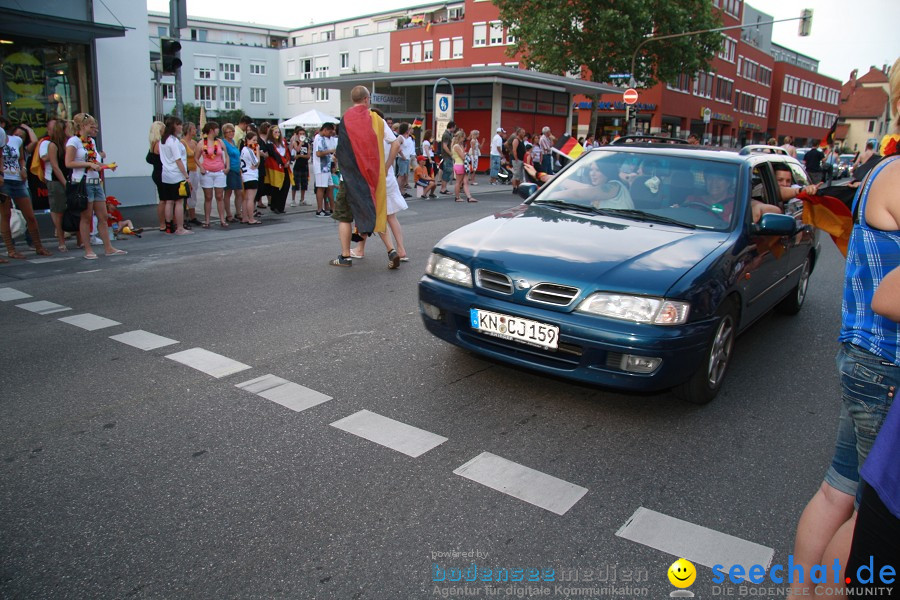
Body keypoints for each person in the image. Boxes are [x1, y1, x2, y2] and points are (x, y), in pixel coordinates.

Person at [790, 57, 900, 598]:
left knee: (841, 492)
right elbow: (891, 297)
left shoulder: (886, 170)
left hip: (868, 360)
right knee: (873, 515)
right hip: (887, 366)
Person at [330, 85, 402, 269]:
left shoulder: (345, 119)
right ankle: (391, 251)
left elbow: (342, 149)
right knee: (376, 213)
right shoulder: (376, 119)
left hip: (350, 178)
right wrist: (385, 168)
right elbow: (395, 144)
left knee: (345, 217)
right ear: (367, 99)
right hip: (373, 178)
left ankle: (345, 256)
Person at [350, 108, 409, 262]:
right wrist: (388, 166)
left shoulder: (369, 133)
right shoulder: (387, 134)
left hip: (374, 178)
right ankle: (401, 249)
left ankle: (362, 249)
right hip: (388, 178)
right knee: (391, 217)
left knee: (366, 214)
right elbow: (397, 144)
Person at [64, 113, 124, 257]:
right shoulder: (74, 141)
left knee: (103, 216)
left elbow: (95, 162)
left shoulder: (91, 141)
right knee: (86, 217)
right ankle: (88, 250)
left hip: (96, 182)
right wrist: (88, 164)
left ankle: (108, 248)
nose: (94, 128)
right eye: (91, 126)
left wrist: (107, 166)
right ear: (83, 126)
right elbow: (69, 163)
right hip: (83, 183)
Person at [1, 117, 51, 258]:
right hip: (4, 180)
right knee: (6, 215)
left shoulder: (16, 141)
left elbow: (21, 158)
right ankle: (11, 250)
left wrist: (23, 168)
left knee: (30, 215)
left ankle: (38, 246)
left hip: (18, 180)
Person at [157, 116, 193, 236]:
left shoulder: (163, 140)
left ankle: (168, 226)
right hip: (176, 174)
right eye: (179, 125)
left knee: (169, 201)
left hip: (166, 174)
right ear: (174, 126)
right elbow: (178, 160)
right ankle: (180, 227)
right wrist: (186, 175)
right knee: (178, 201)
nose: (181, 127)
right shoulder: (173, 141)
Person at [41, 119, 72, 251]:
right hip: (56, 180)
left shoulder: (71, 143)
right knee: (58, 210)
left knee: (74, 208)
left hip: (70, 178)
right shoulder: (53, 145)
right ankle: (61, 240)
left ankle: (80, 239)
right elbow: (55, 166)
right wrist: (64, 182)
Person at [197, 121, 230, 228]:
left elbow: (226, 154)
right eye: (216, 128)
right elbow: (195, 157)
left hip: (219, 171)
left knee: (220, 196)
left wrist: (227, 166)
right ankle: (207, 220)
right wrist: (201, 167)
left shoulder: (220, 142)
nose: (218, 130)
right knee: (208, 196)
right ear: (211, 130)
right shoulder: (202, 143)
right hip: (207, 172)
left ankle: (222, 219)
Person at [263, 125, 291, 214]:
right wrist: (283, 163)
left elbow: (287, 152)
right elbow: (274, 155)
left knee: (286, 185)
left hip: (285, 167)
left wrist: (287, 161)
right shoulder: (269, 143)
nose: (277, 134)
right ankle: (274, 206)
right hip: (276, 168)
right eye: (275, 132)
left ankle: (281, 206)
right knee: (276, 186)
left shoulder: (283, 142)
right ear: (271, 133)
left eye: (278, 132)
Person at [312, 122, 337, 217]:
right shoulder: (318, 138)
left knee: (330, 187)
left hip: (327, 166)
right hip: (321, 167)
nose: (330, 134)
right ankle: (319, 209)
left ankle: (332, 208)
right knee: (321, 187)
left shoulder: (323, 138)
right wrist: (330, 151)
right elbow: (318, 153)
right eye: (329, 132)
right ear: (325, 130)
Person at [238, 131, 262, 225]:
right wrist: (258, 152)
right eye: (253, 140)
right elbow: (257, 162)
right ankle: (251, 218)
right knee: (250, 199)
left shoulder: (243, 150)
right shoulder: (249, 150)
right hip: (251, 176)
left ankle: (245, 217)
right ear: (247, 140)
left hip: (245, 175)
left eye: (256, 140)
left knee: (246, 198)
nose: (255, 142)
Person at [146, 121, 166, 231]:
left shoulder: (153, 143)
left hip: (157, 173)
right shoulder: (159, 144)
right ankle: (163, 223)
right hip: (161, 173)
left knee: (163, 199)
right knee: (164, 199)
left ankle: (163, 223)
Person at [221, 123, 242, 222]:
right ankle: (228, 214)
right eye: (228, 131)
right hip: (230, 170)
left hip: (237, 169)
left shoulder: (233, 142)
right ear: (224, 133)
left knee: (239, 192)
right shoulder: (224, 143)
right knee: (228, 192)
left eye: (232, 131)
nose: (231, 133)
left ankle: (238, 212)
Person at [181, 122, 201, 227]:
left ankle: (193, 216)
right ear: (188, 130)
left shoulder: (194, 142)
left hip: (194, 170)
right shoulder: (183, 142)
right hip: (187, 170)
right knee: (186, 194)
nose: (195, 131)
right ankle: (183, 217)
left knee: (193, 193)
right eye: (193, 129)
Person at [451, 129, 476, 203]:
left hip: (461, 165)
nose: (464, 139)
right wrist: (465, 154)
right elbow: (462, 156)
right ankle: (457, 197)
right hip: (460, 164)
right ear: (460, 137)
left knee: (465, 182)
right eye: (463, 137)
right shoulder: (456, 146)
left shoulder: (459, 145)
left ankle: (469, 197)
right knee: (459, 182)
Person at [290, 127, 311, 206]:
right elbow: (297, 150)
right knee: (295, 183)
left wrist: (299, 156)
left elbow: (308, 156)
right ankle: (293, 200)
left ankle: (302, 199)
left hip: (305, 165)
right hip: (297, 166)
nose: (302, 135)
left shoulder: (307, 144)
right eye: (300, 134)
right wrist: (300, 143)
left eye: (303, 134)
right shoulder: (295, 142)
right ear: (297, 135)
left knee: (304, 184)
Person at [438, 121, 456, 195]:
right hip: (447, 156)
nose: (455, 129)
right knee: (447, 171)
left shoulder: (449, 134)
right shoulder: (446, 135)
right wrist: (451, 154)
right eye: (454, 127)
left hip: (447, 156)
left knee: (447, 171)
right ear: (452, 127)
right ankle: (443, 188)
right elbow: (445, 146)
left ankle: (444, 188)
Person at [396, 122, 413, 197]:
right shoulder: (400, 137)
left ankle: (403, 191)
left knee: (405, 175)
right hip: (402, 158)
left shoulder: (408, 138)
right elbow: (396, 147)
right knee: (401, 175)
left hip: (407, 158)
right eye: (408, 129)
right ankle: (399, 191)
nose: (409, 130)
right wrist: (402, 155)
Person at [510, 127, 526, 193]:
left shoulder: (522, 140)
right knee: (516, 174)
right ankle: (514, 188)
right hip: (517, 160)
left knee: (519, 175)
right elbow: (514, 150)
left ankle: (518, 187)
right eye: (522, 132)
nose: (524, 134)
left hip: (521, 159)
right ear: (519, 133)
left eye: (524, 133)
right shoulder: (516, 140)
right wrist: (516, 159)